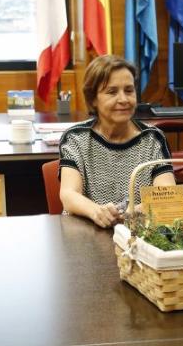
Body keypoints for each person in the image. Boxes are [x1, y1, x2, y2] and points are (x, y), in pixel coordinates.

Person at [58, 54, 174, 228]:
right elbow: (68, 194)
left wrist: (140, 209)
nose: (123, 99)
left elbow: (168, 193)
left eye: (129, 90)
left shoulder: (153, 139)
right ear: (93, 99)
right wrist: (96, 211)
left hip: (138, 235)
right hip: (86, 235)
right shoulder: (75, 138)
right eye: (112, 92)